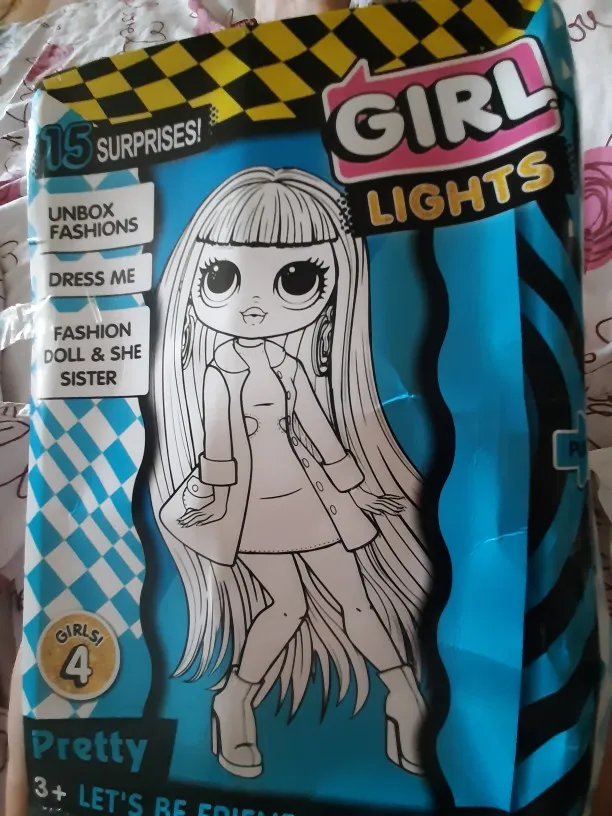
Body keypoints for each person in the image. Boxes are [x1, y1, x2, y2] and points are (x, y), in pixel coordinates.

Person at [151, 166, 430, 778]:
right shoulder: (220, 370)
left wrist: (356, 487)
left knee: (356, 602)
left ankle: (403, 695)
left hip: (307, 498)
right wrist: (208, 492)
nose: (254, 304)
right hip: (251, 509)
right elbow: (219, 444)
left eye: (296, 279)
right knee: (287, 607)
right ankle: (235, 699)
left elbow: (319, 429)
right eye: (223, 277)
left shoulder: (286, 364)